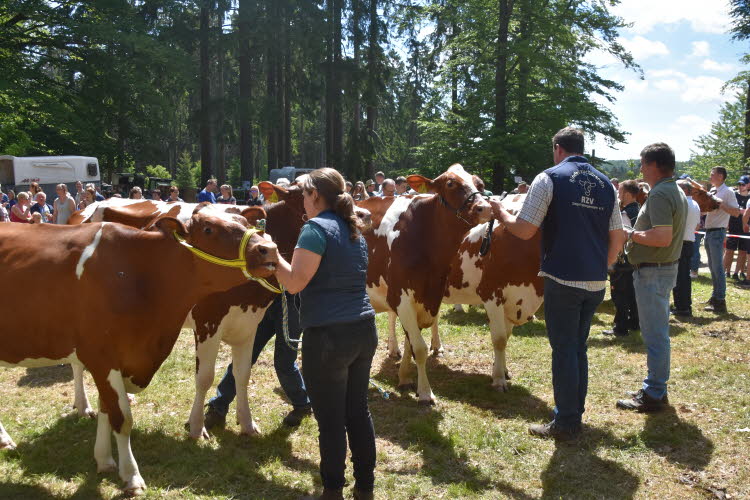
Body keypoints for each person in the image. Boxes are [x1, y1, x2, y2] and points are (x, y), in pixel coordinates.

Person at [491, 127, 624, 440]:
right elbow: (617, 235)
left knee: (564, 349)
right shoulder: (606, 183)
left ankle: (565, 422)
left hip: (564, 278)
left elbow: (524, 230)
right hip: (595, 281)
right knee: (578, 347)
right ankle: (574, 412)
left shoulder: (549, 177)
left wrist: (501, 215)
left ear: (558, 149)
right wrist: (603, 264)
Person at [274, 168, 377, 500]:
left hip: (329, 337)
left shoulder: (314, 230)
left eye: (304, 194)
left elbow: (294, 282)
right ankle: (365, 486)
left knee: (331, 421)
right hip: (363, 329)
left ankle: (332, 491)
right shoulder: (353, 230)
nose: (302, 200)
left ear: (315, 195)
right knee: (357, 411)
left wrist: (272, 254)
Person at [617, 143, 687, 413]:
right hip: (661, 269)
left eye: (643, 163)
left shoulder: (659, 195)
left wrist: (629, 233)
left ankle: (654, 392)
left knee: (655, 334)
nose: (641, 169)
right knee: (657, 332)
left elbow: (661, 236)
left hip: (653, 271)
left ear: (655, 165)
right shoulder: (673, 190)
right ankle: (656, 388)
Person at [203, 293, 312, 429]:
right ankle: (218, 406)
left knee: (284, 362)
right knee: (243, 358)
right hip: (265, 300)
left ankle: (302, 405)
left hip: (292, 303)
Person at [603, 179, 640, 337]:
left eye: (620, 192)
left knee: (619, 294)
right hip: (633, 260)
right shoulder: (637, 210)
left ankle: (620, 327)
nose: (618, 195)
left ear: (628, 194)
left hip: (622, 260)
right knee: (632, 293)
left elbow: (621, 237)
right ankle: (634, 322)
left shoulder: (625, 213)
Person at [703, 166, 741, 313]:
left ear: (720, 176)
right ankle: (715, 296)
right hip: (710, 232)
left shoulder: (728, 192)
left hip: (718, 232)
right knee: (713, 267)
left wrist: (720, 203)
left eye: (712, 174)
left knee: (718, 268)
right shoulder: (713, 191)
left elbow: (736, 212)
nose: (710, 177)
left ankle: (720, 300)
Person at [671, 180, 701, 317]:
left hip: (681, 243)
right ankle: (684, 305)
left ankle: (682, 307)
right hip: (688, 242)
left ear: (685, 190)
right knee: (684, 276)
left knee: (680, 277)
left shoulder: (683, 204)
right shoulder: (694, 204)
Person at [724, 175, 750, 283]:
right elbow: (727, 208)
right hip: (733, 227)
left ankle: (737, 273)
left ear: (748, 185)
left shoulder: (749, 198)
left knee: (743, 252)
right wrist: (738, 211)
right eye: (739, 184)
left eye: (743, 184)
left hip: (745, 229)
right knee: (729, 251)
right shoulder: (733, 195)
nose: (740, 186)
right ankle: (726, 272)